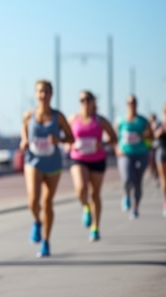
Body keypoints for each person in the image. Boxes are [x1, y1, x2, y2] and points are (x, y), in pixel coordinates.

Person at [19, 79, 74, 257]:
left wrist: (59, 140)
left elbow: (71, 138)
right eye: (40, 91)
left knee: (47, 203)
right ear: (36, 94)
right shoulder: (29, 115)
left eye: (46, 91)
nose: (43, 95)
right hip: (33, 161)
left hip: (53, 163)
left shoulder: (58, 117)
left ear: (51, 94)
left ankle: (46, 241)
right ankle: (36, 221)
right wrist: (24, 139)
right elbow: (24, 128)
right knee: (33, 201)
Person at [67, 90, 118, 241]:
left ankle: (95, 227)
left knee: (95, 194)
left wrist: (102, 143)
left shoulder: (100, 120)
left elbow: (113, 137)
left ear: (93, 101)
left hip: (97, 159)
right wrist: (69, 145)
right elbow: (66, 137)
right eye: (82, 99)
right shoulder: (73, 119)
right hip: (78, 158)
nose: (85, 102)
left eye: (88, 99)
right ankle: (85, 207)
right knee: (81, 189)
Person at [116, 95, 153, 219]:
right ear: (126, 104)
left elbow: (151, 137)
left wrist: (143, 137)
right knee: (127, 178)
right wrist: (116, 148)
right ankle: (126, 195)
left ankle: (135, 207)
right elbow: (113, 137)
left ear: (137, 104)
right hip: (125, 154)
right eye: (129, 102)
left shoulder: (143, 120)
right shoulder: (120, 119)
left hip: (140, 154)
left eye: (134, 102)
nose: (131, 105)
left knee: (137, 182)